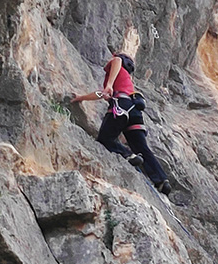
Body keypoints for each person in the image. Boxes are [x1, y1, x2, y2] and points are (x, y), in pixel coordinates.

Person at [72, 52, 173, 195]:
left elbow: (117, 61)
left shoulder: (116, 64)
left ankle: (128, 155)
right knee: (141, 147)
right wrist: (82, 98)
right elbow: (103, 94)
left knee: (104, 139)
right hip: (134, 110)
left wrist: (109, 84)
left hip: (120, 105)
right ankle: (162, 180)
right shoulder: (127, 80)